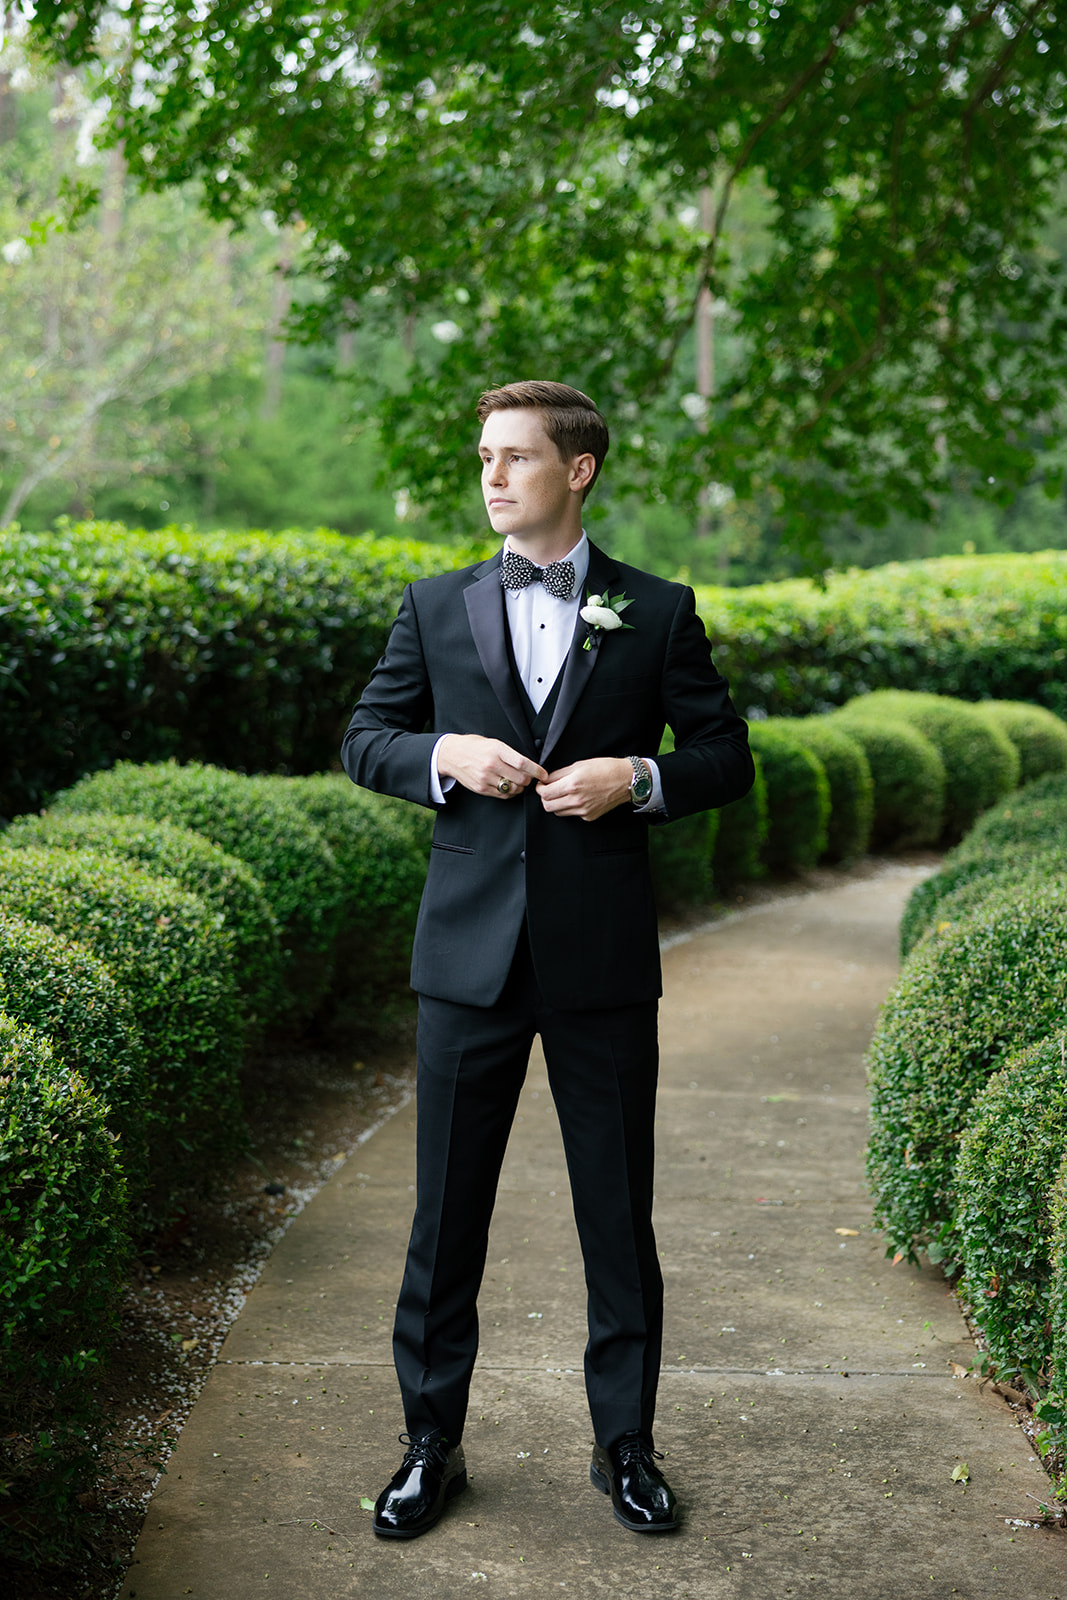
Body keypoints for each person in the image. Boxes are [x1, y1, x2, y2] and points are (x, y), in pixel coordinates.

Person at [342, 380, 753, 1540]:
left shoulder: (658, 610)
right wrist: (445, 754)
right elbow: (364, 739)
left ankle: (624, 1444)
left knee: (616, 1215)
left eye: (513, 457)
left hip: (600, 962)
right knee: (442, 1220)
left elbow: (724, 753)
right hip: (464, 961)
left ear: (576, 471)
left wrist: (642, 776)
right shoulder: (433, 604)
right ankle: (430, 1444)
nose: (489, 475)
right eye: (482, 456)